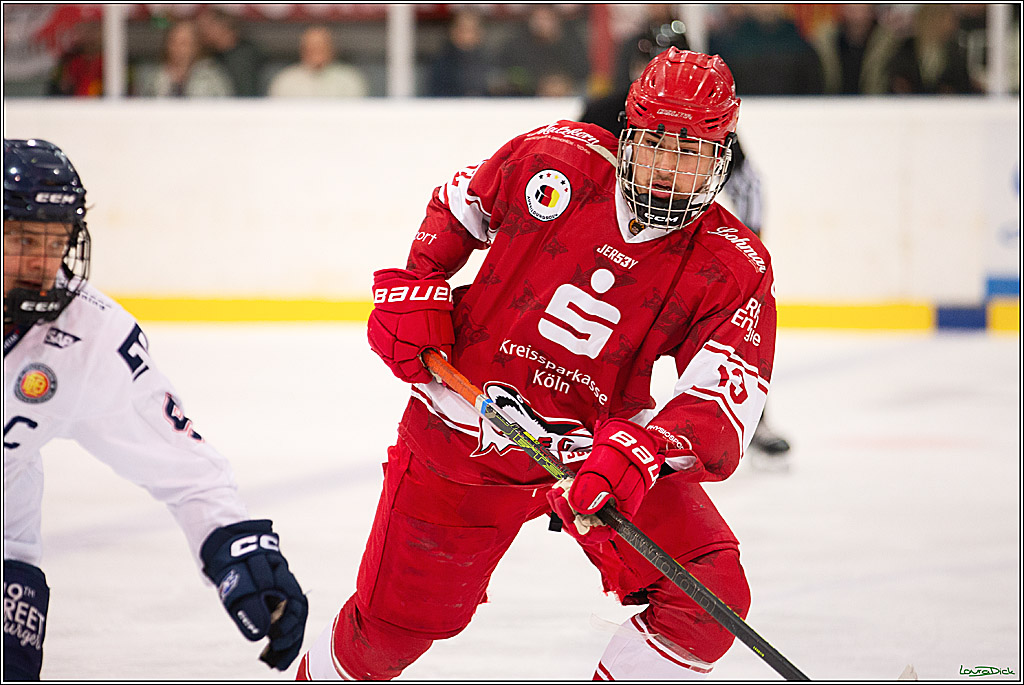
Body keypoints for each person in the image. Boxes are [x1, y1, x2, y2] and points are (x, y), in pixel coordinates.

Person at [296, 48, 776, 680]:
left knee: (705, 599)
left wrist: (645, 450)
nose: (667, 168)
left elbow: (723, 396)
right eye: (656, 143)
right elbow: (459, 203)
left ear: (720, 160)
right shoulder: (557, 160)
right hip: (464, 429)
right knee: (390, 633)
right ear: (629, 133)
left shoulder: (731, 262)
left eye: (690, 152)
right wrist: (420, 285)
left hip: (594, 456)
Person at [2, 139, 308, 680]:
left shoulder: (89, 338)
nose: (42, 264)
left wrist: (238, 550)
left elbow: (186, 470)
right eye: (24, 238)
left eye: (57, 242)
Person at [583, 13, 791, 462]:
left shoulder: (705, 126)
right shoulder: (605, 111)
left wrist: (745, 251)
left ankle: (746, 417)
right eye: (647, 61)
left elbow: (747, 182)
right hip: (611, 253)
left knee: (724, 339)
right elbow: (577, 174)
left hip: (676, 256)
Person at [493, 5, 588, 96]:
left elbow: (582, 69)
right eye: (538, 19)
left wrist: (562, 84)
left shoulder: (570, 42)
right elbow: (508, 72)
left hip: (569, 94)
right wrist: (538, 85)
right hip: (528, 97)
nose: (542, 24)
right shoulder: (516, 45)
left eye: (547, 19)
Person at [886, 4, 977, 94]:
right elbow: (896, 85)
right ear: (934, 19)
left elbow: (963, 88)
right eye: (949, 18)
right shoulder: (906, 50)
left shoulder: (954, 53)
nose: (954, 24)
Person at [138, 19, 233, 98]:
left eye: (184, 43)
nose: (178, 48)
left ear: (195, 46)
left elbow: (225, 105)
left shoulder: (212, 76)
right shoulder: (152, 76)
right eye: (174, 41)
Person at [268, 26, 367, 98]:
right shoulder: (285, 80)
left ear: (332, 50)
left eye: (322, 47)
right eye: (312, 47)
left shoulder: (350, 79)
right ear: (302, 50)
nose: (317, 52)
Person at [195, 6, 266, 97]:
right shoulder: (216, 55)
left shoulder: (243, 58)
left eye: (205, 27)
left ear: (221, 26)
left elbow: (246, 97)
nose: (201, 33)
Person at [427, 9, 495, 97]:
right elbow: (436, 96)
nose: (466, 35)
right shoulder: (442, 65)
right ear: (453, 31)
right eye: (462, 29)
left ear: (480, 33)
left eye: (471, 30)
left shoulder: (490, 63)